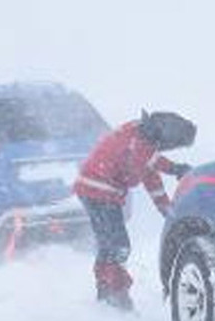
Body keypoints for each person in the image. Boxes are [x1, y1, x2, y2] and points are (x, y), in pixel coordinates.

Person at [75, 110, 195, 310]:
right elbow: (143, 169)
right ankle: (113, 293)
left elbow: (151, 176)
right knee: (118, 246)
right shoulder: (140, 144)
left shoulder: (139, 133)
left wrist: (168, 210)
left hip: (95, 190)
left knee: (111, 245)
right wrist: (175, 169)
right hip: (98, 191)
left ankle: (108, 291)